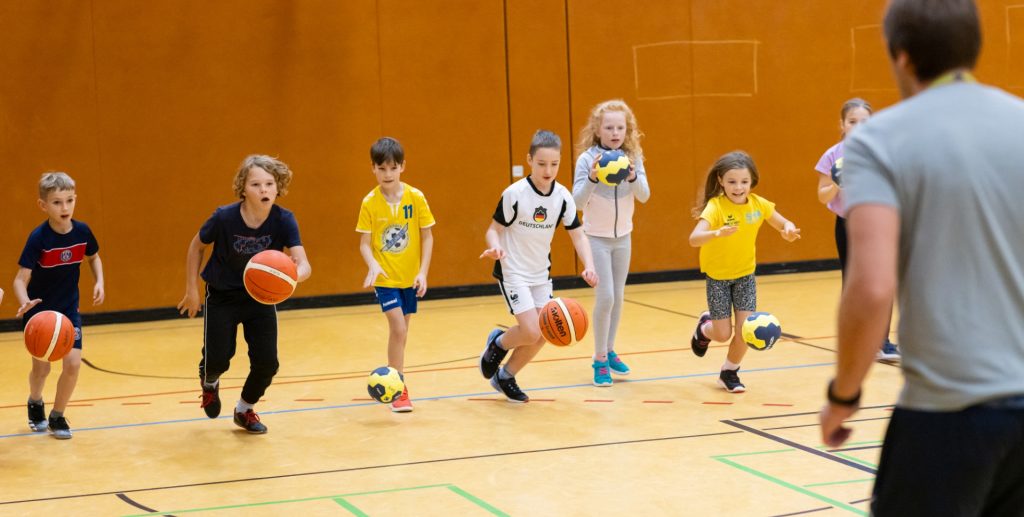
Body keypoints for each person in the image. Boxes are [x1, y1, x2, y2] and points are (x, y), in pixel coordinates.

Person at [819, 0, 1024, 514]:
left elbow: (870, 286)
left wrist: (844, 394)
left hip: (948, 412)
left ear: (901, 57)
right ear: (972, 51)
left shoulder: (878, 141)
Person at [177, 155, 311, 434]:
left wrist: (294, 273)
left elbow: (304, 262)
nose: (264, 190)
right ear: (243, 189)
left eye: (269, 184)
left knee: (267, 364)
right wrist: (192, 290)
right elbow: (196, 247)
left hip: (260, 298)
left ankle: (244, 409)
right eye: (256, 184)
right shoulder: (224, 217)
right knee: (219, 357)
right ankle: (210, 381)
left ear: (278, 187)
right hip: (223, 295)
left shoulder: (284, 220)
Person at [479, 130, 598, 402]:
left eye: (554, 164)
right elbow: (493, 229)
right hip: (512, 270)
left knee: (546, 331)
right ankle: (497, 343)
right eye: (542, 163)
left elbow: (578, 234)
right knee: (531, 330)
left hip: (539, 274)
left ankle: (506, 375)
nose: (548, 170)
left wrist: (589, 265)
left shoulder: (563, 197)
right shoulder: (515, 194)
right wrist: (495, 246)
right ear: (530, 160)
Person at [688, 151, 800, 393]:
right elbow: (694, 239)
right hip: (718, 278)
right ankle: (704, 327)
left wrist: (788, 229)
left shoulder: (759, 205)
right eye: (731, 182)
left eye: (744, 182)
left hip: (745, 276)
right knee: (722, 334)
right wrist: (716, 233)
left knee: (744, 330)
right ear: (720, 181)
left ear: (752, 182)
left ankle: (730, 371)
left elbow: (782, 222)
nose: (738, 187)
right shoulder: (715, 207)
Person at [13, 172, 105, 440]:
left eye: (69, 200)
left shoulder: (83, 231)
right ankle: (35, 400)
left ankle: (57, 415)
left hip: (68, 310)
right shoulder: (38, 238)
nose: (64, 208)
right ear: (43, 205)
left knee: (73, 365)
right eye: (56, 202)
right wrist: (24, 302)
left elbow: (94, 257)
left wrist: (99, 281)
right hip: (40, 313)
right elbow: (20, 279)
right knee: (42, 368)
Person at [815, 98, 901, 364]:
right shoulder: (833, 156)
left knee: (883, 281)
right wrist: (837, 184)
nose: (859, 126)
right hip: (848, 225)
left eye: (864, 121)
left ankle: (881, 342)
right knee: (854, 285)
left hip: (879, 223)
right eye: (853, 121)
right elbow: (822, 195)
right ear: (842, 124)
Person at [573, 99, 651, 386]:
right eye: (609, 127)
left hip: (623, 238)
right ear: (598, 128)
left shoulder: (633, 157)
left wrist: (632, 175)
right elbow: (576, 201)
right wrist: (593, 177)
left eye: (620, 127)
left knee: (617, 297)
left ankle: (609, 349)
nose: (615, 132)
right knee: (605, 297)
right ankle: (599, 360)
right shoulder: (587, 159)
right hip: (596, 238)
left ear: (627, 129)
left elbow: (644, 195)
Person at [356, 137, 435, 413]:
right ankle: (397, 388)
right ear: (373, 169)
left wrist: (423, 273)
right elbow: (364, 243)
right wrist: (373, 265)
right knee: (398, 328)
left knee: (403, 333)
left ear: (402, 167)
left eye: (392, 168)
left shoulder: (416, 197)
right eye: (381, 169)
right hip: (385, 279)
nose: (387, 174)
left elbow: (427, 237)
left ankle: (395, 382)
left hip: (409, 278)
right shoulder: (370, 203)